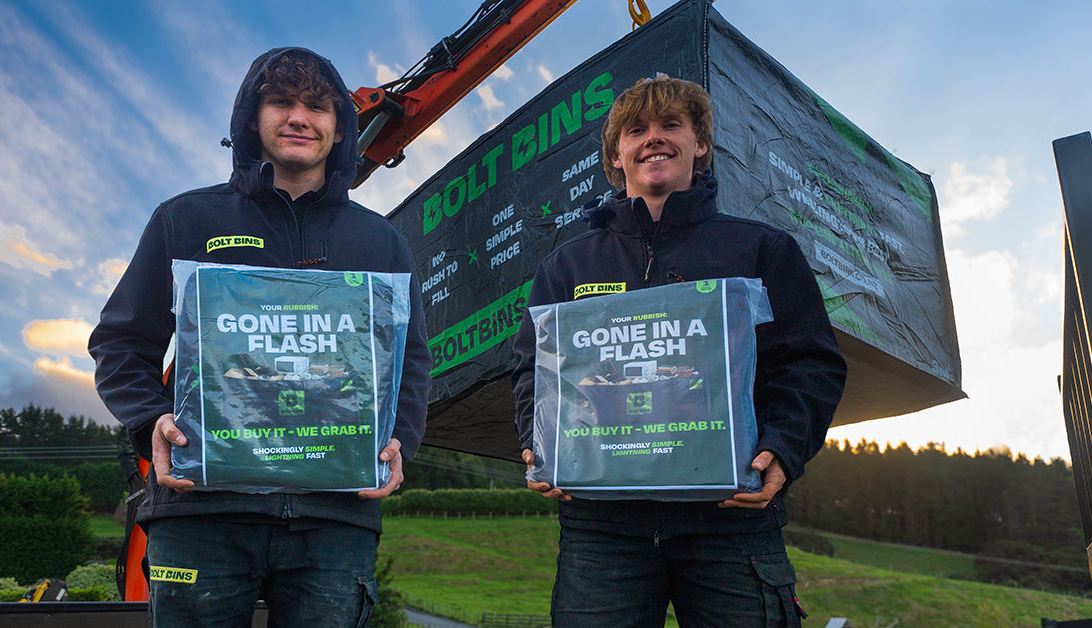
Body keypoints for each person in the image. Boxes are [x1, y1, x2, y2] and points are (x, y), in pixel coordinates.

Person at [88, 47, 430, 627]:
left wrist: (400, 440)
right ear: (253, 117)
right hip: (201, 514)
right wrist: (151, 420)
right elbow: (121, 342)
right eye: (281, 102)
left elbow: (410, 358)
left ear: (339, 127)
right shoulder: (184, 219)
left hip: (334, 519)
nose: (299, 117)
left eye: (317, 106)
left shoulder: (380, 241)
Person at [511, 75, 847, 627]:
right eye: (636, 130)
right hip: (602, 529)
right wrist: (539, 443)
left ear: (701, 144)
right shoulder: (567, 266)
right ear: (615, 155)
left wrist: (784, 450)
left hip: (730, 521)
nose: (654, 138)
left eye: (672, 125)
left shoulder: (761, 248)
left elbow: (809, 363)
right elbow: (533, 369)